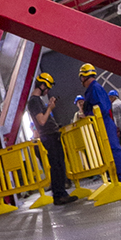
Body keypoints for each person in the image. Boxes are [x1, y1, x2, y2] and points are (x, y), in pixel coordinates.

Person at [77, 64, 121, 183]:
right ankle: (119, 181)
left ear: (84, 77)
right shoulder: (92, 89)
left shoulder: (95, 88)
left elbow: (102, 108)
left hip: (104, 124)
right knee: (109, 153)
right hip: (102, 124)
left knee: (114, 152)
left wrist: (89, 116)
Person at [27, 71, 74, 204]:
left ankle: (60, 193)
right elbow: (42, 120)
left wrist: (48, 106)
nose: (48, 91)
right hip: (49, 136)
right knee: (56, 165)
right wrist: (50, 108)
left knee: (58, 164)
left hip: (50, 136)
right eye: (47, 88)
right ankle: (59, 195)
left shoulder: (36, 101)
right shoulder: (34, 101)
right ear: (42, 86)